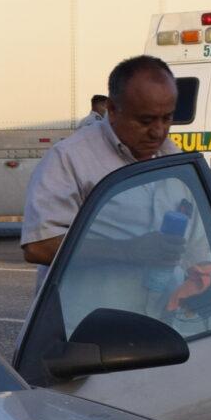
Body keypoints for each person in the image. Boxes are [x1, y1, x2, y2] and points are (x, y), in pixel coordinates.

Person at [21, 55, 179, 264]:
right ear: (112, 110)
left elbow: (199, 243)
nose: (158, 132)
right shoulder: (70, 158)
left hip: (166, 297)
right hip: (91, 298)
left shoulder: (173, 157)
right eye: (146, 121)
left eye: (167, 118)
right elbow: (39, 247)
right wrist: (127, 251)